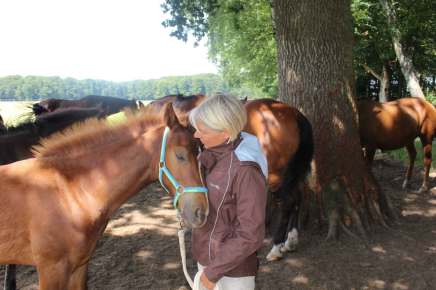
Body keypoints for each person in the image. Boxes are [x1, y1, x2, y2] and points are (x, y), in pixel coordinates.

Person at [189, 94, 268, 290]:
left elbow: (251, 234)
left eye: (202, 130)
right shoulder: (210, 153)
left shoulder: (245, 170)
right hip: (206, 257)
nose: (196, 135)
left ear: (225, 133)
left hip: (233, 273)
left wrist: (212, 272)